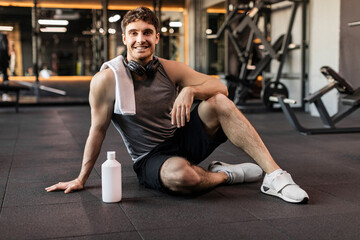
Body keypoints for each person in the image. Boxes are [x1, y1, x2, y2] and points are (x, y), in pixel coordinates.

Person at [46, 7, 309, 203]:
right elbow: (97, 130)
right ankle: (226, 175)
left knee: (217, 101)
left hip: (182, 137)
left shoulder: (170, 69)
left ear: (157, 37)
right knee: (184, 178)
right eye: (134, 33)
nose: (141, 39)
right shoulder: (106, 80)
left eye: (147, 32)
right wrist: (81, 178)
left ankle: (275, 176)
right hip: (151, 157)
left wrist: (191, 90)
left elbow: (222, 88)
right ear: (124, 39)